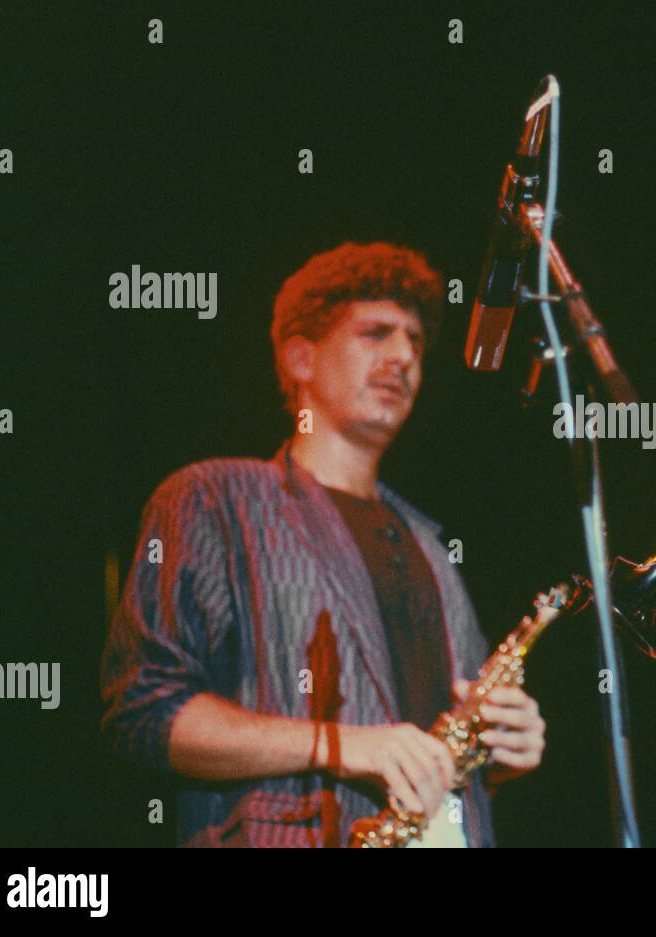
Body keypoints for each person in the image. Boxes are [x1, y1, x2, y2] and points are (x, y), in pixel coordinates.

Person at [101, 241, 546, 847]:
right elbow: (145, 715)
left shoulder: (431, 545)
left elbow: (446, 751)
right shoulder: (214, 498)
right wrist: (343, 745)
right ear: (301, 358)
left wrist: (503, 754)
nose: (403, 357)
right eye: (375, 333)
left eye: (415, 341)